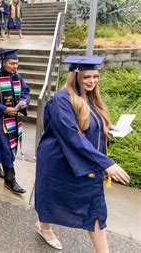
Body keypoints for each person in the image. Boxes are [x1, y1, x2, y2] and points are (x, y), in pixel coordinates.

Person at [35, 56, 131, 251]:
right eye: (87, 76)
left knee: (94, 208)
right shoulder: (61, 101)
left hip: (85, 162)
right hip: (59, 160)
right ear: (76, 76)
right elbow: (72, 136)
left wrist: (107, 126)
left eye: (96, 76)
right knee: (51, 196)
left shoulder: (91, 97)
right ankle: (44, 227)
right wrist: (107, 163)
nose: (92, 81)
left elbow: (88, 124)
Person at [0, 49, 30, 194]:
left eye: (17, 63)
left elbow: (26, 92)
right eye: (12, 63)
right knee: (6, 147)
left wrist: (24, 102)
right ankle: (10, 180)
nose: (15, 66)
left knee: (7, 146)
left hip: (14, 118)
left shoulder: (18, 77)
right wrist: (3, 109)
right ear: (3, 62)